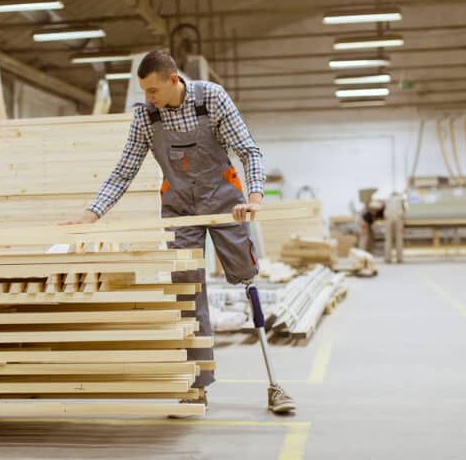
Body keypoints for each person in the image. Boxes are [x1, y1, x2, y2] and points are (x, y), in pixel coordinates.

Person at [63, 51, 294, 414]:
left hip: (225, 202)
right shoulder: (145, 116)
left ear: (173, 80)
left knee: (245, 276)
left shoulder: (212, 98)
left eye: (153, 90)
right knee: (187, 292)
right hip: (179, 210)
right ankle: (196, 384)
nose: (147, 98)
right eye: (143, 91)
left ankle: (275, 384)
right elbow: (124, 171)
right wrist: (91, 215)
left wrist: (254, 199)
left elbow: (249, 151)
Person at [383, 191, 405, 263]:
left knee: (388, 239)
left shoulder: (387, 199)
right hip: (398, 218)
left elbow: (383, 209)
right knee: (399, 239)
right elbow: (404, 209)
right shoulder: (400, 199)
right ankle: (399, 258)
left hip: (388, 219)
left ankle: (387, 258)